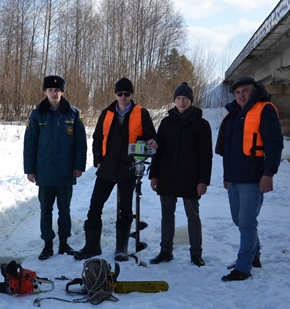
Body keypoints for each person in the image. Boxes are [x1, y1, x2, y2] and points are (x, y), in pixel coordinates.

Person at [74, 77, 158, 262]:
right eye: (120, 94)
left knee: (126, 210)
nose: (123, 97)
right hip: (107, 168)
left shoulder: (141, 113)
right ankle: (92, 246)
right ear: (115, 95)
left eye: (127, 94)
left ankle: (122, 248)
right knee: (95, 206)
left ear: (131, 95)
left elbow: (151, 134)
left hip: (129, 168)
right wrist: (98, 161)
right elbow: (97, 138)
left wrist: (152, 141)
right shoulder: (106, 113)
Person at [215, 76, 284, 281]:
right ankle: (255, 256)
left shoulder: (265, 110)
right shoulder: (234, 115)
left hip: (253, 179)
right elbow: (229, 150)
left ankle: (243, 267)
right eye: (237, 93)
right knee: (240, 220)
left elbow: (275, 144)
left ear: (254, 91)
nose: (241, 95)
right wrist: (227, 177)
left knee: (246, 222)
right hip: (234, 179)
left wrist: (268, 173)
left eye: (245, 91)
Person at [24, 75, 87, 260]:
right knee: (45, 210)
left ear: (62, 92)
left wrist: (78, 166)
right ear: (45, 92)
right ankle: (48, 245)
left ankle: (64, 243)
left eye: (57, 90)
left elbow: (80, 143)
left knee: (64, 209)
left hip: (66, 171)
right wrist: (30, 169)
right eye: (50, 90)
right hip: (44, 171)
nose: (54, 93)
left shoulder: (73, 114)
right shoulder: (37, 114)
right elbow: (30, 144)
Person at [149, 82, 212, 267]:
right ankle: (165, 251)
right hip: (167, 177)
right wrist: (154, 175)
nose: (182, 101)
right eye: (178, 98)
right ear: (174, 100)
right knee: (167, 216)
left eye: (185, 98)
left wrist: (203, 181)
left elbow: (205, 156)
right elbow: (158, 152)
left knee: (193, 217)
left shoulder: (201, 125)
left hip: (190, 179)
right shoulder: (166, 122)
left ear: (191, 100)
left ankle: (196, 254)